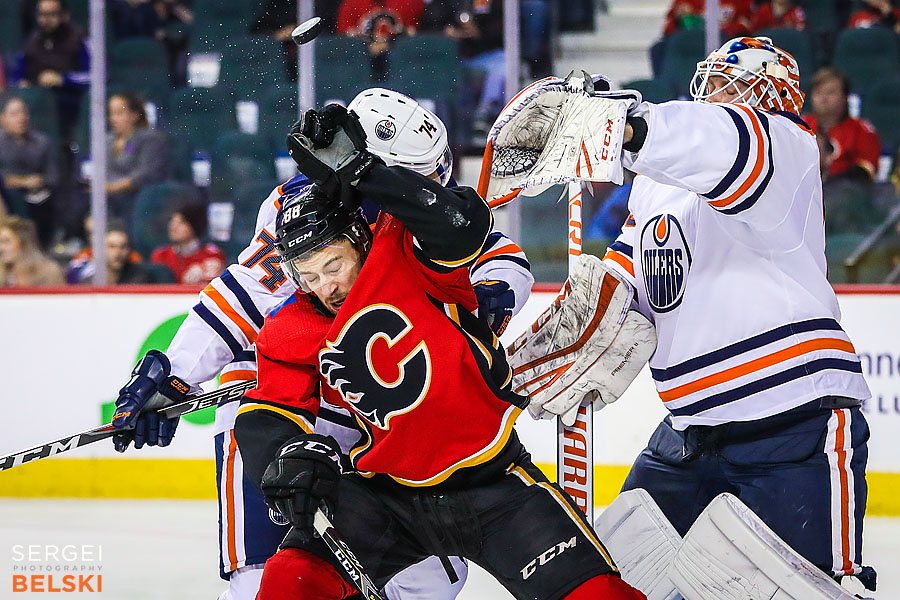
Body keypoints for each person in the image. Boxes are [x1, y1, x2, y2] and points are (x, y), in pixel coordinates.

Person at [108, 88, 534, 600]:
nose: (434, 186)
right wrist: (172, 373)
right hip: (302, 398)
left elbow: (498, 251)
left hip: (388, 405)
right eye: (422, 175)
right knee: (268, 578)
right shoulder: (308, 205)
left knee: (426, 581)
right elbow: (247, 292)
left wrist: (496, 291)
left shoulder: (421, 212)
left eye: (438, 170)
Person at [228, 104, 646, 600]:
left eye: (333, 264)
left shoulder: (411, 253)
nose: (326, 286)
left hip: (493, 484)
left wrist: (363, 171)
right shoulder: (292, 325)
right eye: (308, 275)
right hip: (385, 495)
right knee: (289, 580)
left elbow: (463, 221)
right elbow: (269, 412)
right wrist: (287, 455)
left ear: (360, 238)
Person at [597, 36, 875, 591]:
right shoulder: (659, 180)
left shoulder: (784, 145)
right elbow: (628, 277)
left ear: (769, 93)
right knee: (609, 580)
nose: (713, 95)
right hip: (686, 436)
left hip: (791, 427)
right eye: (710, 81)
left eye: (731, 83)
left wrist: (627, 127)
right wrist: (577, 334)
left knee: (808, 586)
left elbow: (715, 143)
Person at [10, 0, 90, 137]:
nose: (45, 19)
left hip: (71, 100)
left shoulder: (79, 38)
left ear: (64, 15)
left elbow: (96, 76)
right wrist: (21, 84)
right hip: (37, 102)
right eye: (42, 14)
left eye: (51, 14)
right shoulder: (32, 40)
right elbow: (15, 76)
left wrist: (63, 79)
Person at [96, 91, 170, 223]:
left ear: (134, 115)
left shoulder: (150, 138)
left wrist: (115, 187)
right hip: (109, 197)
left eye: (119, 113)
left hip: (138, 198)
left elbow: (147, 173)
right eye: (111, 113)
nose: (113, 118)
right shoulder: (107, 140)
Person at [0, 94, 60, 248]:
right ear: (3, 119)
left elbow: (53, 176)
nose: (21, 118)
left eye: (23, 113)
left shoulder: (42, 142)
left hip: (39, 196)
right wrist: (21, 182)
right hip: (7, 198)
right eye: (14, 114)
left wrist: (40, 181)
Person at [804, 68, 881, 182]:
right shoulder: (799, 127)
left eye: (830, 92)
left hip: (845, 195)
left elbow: (867, 172)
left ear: (845, 98)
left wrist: (832, 183)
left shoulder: (862, 131)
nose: (823, 99)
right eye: (818, 93)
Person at [150, 203, 226, 286]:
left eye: (181, 222)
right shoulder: (161, 255)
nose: (173, 227)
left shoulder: (211, 255)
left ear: (193, 225)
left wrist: (202, 272)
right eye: (172, 221)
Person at [67, 221, 157, 285]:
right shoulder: (88, 283)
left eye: (123, 247)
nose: (118, 253)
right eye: (112, 246)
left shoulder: (140, 279)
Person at [0, 215, 64, 286]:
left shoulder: (48, 272)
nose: (1, 248)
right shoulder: (3, 274)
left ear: (24, 244)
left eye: (7, 242)